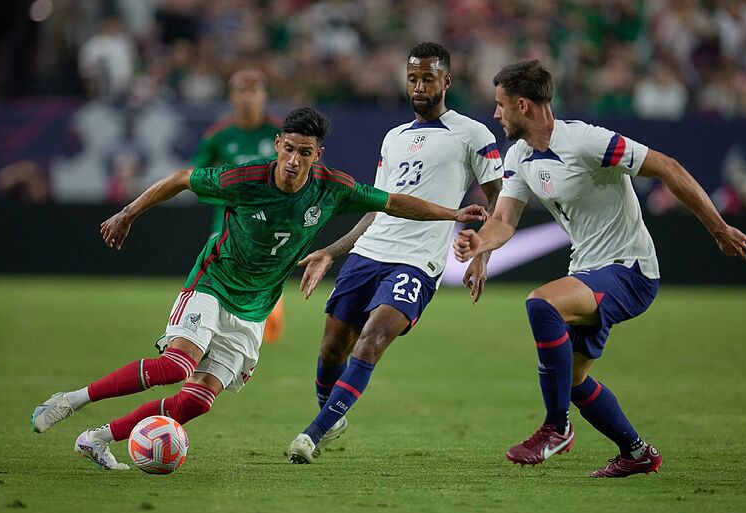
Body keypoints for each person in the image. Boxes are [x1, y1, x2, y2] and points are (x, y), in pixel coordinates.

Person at [31, 107, 488, 470]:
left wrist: (454, 215)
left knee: (198, 399)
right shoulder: (245, 178)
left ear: (317, 155)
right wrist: (128, 213)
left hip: (255, 306)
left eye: (304, 153)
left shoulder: (333, 189)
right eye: (288, 149)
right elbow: (180, 179)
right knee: (175, 367)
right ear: (277, 145)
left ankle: (97, 439)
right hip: (213, 282)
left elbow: (393, 202)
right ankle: (70, 401)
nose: (293, 160)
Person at [454, 60, 746, 477]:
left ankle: (555, 429)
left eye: (500, 105)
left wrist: (718, 228)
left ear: (523, 105)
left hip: (629, 270)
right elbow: (503, 220)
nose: (496, 114)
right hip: (588, 271)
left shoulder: (586, 141)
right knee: (574, 382)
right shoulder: (520, 156)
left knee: (541, 305)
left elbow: (667, 166)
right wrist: (479, 246)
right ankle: (636, 453)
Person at [286, 43, 503, 464]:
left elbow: (502, 200)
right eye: (412, 78)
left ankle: (311, 435)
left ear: (447, 81)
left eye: (427, 78)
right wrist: (331, 251)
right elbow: (379, 205)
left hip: (417, 261)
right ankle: (331, 418)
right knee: (332, 350)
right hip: (369, 253)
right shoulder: (394, 137)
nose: (419, 87)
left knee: (372, 340)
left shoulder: (473, 134)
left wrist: (483, 253)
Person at [192, 69, 287, 343]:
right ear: (232, 97)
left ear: (264, 96)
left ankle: (267, 312)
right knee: (216, 271)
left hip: (271, 220)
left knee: (265, 268)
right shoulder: (219, 135)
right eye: (242, 92)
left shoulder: (278, 132)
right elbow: (195, 174)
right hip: (228, 220)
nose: (248, 98)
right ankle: (211, 326)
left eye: (253, 91)